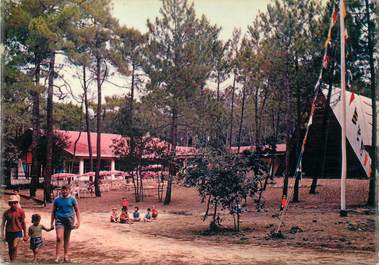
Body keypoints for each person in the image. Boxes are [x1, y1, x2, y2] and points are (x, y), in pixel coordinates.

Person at [51, 185, 80, 263]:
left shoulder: (72, 199)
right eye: (63, 190)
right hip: (59, 220)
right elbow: (53, 211)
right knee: (59, 237)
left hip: (69, 220)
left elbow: (77, 210)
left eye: (66, 190)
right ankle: (57, 256)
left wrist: (78, 221)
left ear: (69, 190)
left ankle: (66, 255)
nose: (64, 191)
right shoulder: (57, 199)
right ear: (61, 191)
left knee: (66, 238)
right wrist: (51, 223)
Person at [1, 195, 28, 262]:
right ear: (9, 204)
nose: (13, 204)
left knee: (14, 246)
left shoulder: (21, 211)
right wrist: (2, 235)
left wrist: (25, 234)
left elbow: (23, 223)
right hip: (9, 232)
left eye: (15, 202)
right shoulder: (6, 213)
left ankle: (14, 261)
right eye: (11, 203)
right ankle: (12, 260)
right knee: (10, 248)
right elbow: (2, 224)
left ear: (17, 203)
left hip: (18, 232)